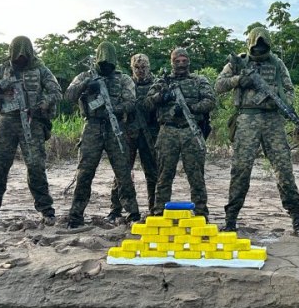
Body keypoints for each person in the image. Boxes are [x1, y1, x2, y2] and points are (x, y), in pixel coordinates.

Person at [215, 27, 299, 236]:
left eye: (263, 46)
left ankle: (297, 220)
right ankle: (231, 220)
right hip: (246, 119)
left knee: (284, 169)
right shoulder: (237, 62)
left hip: (273, 120)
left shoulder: (277, 63)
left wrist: (278, 97)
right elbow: (218, 85)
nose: (260, 49)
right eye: (256, 46)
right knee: (240, 170)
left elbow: (289, 91)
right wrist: (238, 80)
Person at [0, 35, 61, 226]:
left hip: (32, 122)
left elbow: (56, 91)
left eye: (25, 55)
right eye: (18, 55)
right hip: (6, 121)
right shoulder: (1, 70)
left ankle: (47, 211)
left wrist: (42, 104)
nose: (21, 58)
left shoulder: (40, 69)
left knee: (36, 168)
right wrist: (1, 85)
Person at [65, 41, 140, 228]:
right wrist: (86, 85)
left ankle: (132, 213)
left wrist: (114, 108)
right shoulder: (85, 76)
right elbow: (68, 96)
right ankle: (75, 215)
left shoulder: (123, 79)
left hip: (116, 127)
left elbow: (131, 101)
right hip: (92, 126)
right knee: (85, 172)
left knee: (123, 172)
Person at [145, 48, 215, 218]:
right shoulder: (162, 82)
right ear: (172, 63)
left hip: (191, 131)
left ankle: (200, 213)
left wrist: (190, 108)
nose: (181, 64)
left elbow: (210, 101)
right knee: (163, 176)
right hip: (168, 131)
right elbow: (147, 103)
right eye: (177, 61)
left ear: (189, 62)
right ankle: (159, 212)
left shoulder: (199, 80)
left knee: (196, 176)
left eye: (184, 61)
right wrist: (163, 96)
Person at [105, 53, 159, 223]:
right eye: (137, 67)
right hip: (128, 132)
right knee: (122, 173)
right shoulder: (126, 83)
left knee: (152, 173)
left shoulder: (156, 84)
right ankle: (116, 209)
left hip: (150, 134)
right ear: (132, 68)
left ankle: (155, 208)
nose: (141, 71)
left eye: (144, 67)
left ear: (149, 67)